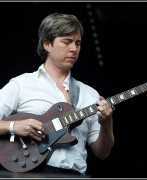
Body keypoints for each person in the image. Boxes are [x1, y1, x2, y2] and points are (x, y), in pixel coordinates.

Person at [0, 12, 114, 177]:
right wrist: (14, 126)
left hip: (75, 175)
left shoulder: (90, 94)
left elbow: (102, 153)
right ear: (47, 44)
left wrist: (106, 124)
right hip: (31, 174)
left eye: (78, 43)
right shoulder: (22, 84)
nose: (74, 48)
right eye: (66, 42)